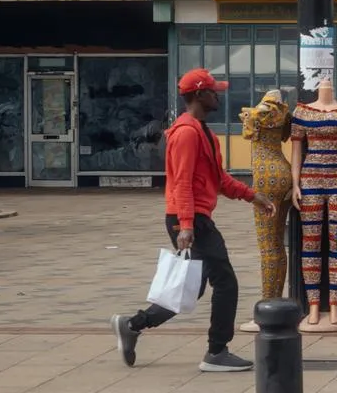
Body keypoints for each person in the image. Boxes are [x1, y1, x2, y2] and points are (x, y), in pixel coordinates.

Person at [112, 69, 275, 373]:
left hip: (193, 217)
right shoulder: (187, 133)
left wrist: (253, 195)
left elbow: (219, 180)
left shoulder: (203, 132)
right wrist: (186, 224)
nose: (218, 95)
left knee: (191, 289)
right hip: (190, 218)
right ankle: (216, 352)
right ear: (199, 94)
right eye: (214, 91)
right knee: (226, 282)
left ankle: (133, 325)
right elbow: (182, 183)